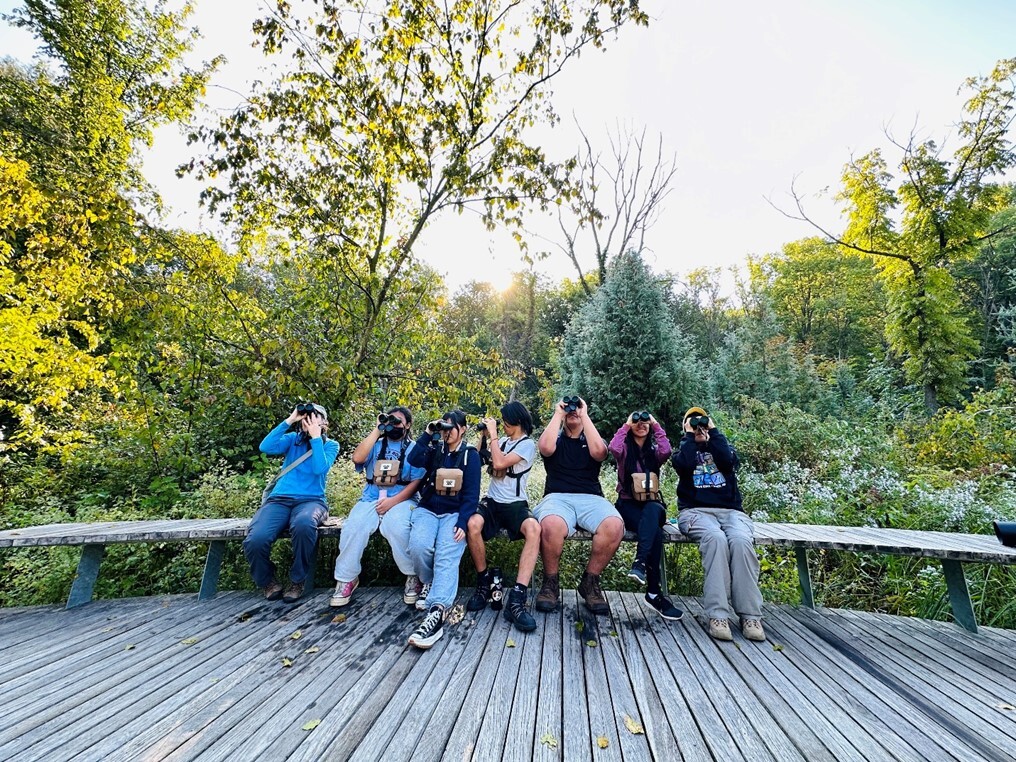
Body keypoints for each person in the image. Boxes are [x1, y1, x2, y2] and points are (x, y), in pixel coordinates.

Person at [672, 407, 765, 641]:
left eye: (702, 421)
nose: (698, 425)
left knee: (741, 542)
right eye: (692, 422)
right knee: (715, 539)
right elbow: (683, 466)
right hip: (695, 511)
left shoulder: (722, 446)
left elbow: (727, 461)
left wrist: (713, 432)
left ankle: (750, 616)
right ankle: (718, 615)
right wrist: (690, 436)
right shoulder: (683, 450)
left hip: (731, 512)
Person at [534, 396, 624, 616]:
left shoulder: (592, 440)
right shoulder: (555, 440)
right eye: (569, 409)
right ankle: (550, 582)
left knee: (614, 526)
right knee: (551, 524)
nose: (572, 411)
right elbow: (544, 448)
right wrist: (558, 413)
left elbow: (600, 453)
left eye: (576, 408)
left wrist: (584, 415)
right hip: (557, 497)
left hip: (591, 497)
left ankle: (590, 582)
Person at [329, 407, 426, 608]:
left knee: (397, 526)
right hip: (371, 498)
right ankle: (346, 578)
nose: (394, 425)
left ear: (408, 425)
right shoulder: (375, 444)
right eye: (390, 420)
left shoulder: (414, 448)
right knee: (354, 526)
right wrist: (377, 429)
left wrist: (393, 501)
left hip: (402, 498)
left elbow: (417, 481)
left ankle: (412, 575)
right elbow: (357, 458)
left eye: (398, 421)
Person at [243, 403, 340, 603]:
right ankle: (268, 581)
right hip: (279, 500)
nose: (309, 420)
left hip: (312, 501)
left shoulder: (330, 445)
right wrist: (290, 420)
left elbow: (319, 469)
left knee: (304, 524)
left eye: (315, 417)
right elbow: (265, 447)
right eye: (306, 417)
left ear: (325, 423)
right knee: (256, 539)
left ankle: (297, 580)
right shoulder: (292, 440)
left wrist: (316, 438)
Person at [405, 410, 481, 649]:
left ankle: (437, 611)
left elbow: (472, 494)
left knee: (447, 554)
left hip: (454, 513)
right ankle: (428, 582)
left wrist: (463, 521)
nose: (447, 432)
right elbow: (413, 459)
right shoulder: (435, 449)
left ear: (463, 429)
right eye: (443, 427)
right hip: (428, 509)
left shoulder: (470, 455)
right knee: (418, 546)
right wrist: (428, 433)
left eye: (451, 427)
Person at [466, 401, 540, 633]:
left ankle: (517, 597)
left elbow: (499, 462)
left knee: (534, 529)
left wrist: (494, 435)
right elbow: (478, 460)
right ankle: (483, 582)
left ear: (517, 421)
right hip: (493, 502)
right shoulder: (504, 442)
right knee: (473, 524)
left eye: (506, 422)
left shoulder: (527, 445)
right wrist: (484, 436)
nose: (503, 426)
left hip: (515, 504)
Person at [608, 411, 683, 621]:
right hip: (628, 505)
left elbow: (666, 450)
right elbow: (613, 447)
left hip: (652, 505)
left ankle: (640, 562)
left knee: (652, 510)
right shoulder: (624, 451)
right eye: (637, 422)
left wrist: (656, 424)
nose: (641, 425)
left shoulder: (654, 453)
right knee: (655, 532)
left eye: (645, 423)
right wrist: (626, 425)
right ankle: (653, 593)